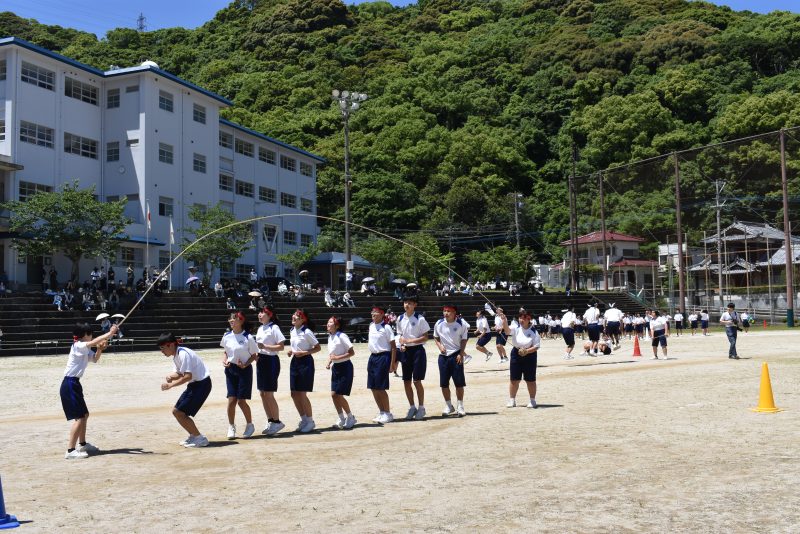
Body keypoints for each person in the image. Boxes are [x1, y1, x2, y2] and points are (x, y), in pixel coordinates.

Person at [60, 322, 118, 459]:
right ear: (85, 335)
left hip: (75, 383)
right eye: (90, 334)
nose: (92, 336)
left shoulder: (84, 348)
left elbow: (95, 359)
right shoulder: (78, 345)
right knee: (79, 418)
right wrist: (110, 333)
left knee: (84, 415)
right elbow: (92, 343)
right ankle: (70, 451)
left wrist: (100, 349)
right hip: (69, 384)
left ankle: (83, 444)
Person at [158, 333, 212, 448]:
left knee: (179, 412)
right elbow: (180, 373)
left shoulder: (183, 354)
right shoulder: (176, 355)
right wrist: (171, 377)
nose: (161, 351)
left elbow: (187, 376)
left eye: (162, 348)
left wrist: (171, 385)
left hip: (202, 385)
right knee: (176, 412)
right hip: (195, 385)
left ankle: (200, 439)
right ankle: (194, 436)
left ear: (171, 345)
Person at [220, 311, 258, 439]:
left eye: (234, 318)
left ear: (241, 321)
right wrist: (225, 360)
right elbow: (226, 352)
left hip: (244, 371)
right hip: (230, 370)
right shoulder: (226, 336)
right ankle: (231, 426)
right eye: (230, 319)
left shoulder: (248, 337)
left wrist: (245, 364)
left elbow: (254, 355)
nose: (231, 320)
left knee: (241, 401)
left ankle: (250, 425)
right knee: (231, 400)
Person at [396, 296, 430, 420]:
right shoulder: (400, 318)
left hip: (418, 351)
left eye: (409, 303)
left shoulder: (420, 319)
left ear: (415, 305)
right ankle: (412, 407)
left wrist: (410, 341)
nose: (406, 305)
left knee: (416, 381)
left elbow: (426, 337)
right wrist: (402, 344)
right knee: (406, 381)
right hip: (406, 352)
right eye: (405, 302)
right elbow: (400, 335)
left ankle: (421, 407)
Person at [287, 309, 321, 433]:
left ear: (303, 320)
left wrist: (305, 353)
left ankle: (310, 421)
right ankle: (304, 419)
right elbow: (295, 346)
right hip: (295, 362)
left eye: (297, 316)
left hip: (305, 362)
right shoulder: (292, 330)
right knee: (293, 393)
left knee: (302, 393)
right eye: (294, 314)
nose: (294, 317)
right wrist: (291, 351)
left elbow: (318, 348)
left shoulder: (307, 332)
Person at [500, 308, 541, 408]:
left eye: (523, 318)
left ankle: (532, 400)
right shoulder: (516, 328)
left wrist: (527, 351)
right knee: (514, 379)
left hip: (530, 355)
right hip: (516, 353)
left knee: (530, 380)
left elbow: (536, 346)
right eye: (520, 318)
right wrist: (504, 321)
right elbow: (507, 331)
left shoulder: (534, 331)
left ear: (529, 319)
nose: (521, 320)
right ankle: (512, 400)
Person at [433, 304, 469, 416]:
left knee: (459, 383)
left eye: (449, 311)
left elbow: (464, 339)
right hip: (443, 356)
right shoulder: (439, 323)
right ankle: (449, 406)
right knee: (444, 383)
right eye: (444, 311)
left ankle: (460, 406)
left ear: (454, 313)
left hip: (456, 355)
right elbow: (435, 337)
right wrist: (440, 346)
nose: (446, 313)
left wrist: (461, 353)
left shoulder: (461, 324)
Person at [255, 306, 286, 436]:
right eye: (259, 312)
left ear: (269, 315)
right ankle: (271, 420)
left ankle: (277, 421)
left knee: (268, 394)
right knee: (262, 394)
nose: (260, 314)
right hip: (261, 360)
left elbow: (281, 346)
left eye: (262, 313)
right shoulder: (260, 328)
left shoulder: (274, 328)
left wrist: (265, 346)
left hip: (271, 361)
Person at [325, 315, 357, 429]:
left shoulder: (342, 336)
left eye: (330, 322)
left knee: (338, 394)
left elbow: (352, 352)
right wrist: (329, 362)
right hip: (336, 368)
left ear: (337, 326)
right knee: (334, 395)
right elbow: (332, 353)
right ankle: (341, 418)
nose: (328, 324)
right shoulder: (330, 337)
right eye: (328, 322)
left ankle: (350, 417)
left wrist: (337, 358)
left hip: (345, 367)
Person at [367, 306, 397, 424]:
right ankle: (381, 412)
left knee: (380, 387)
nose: (373, 314)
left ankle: (388, 413)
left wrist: (392, 364)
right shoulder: (371, 325)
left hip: (383, 357)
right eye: (372, 312)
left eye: (376, 312)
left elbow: (393, 347)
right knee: (373, 387)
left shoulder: (386, 327)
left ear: (382, 314)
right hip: (372, 357)